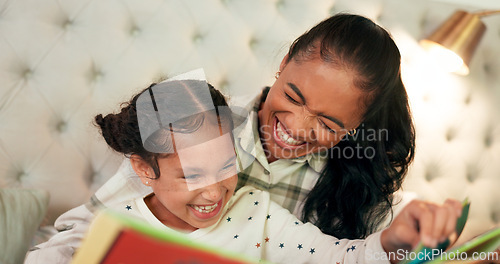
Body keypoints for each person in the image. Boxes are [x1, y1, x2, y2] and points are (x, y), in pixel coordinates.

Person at [26, 13, 464, 263]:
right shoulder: (199, 120)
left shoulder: (335, 181)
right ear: (285, 61)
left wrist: (411, 241)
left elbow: (362, 255)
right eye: (292, 96)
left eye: (329, 124)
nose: (296, 126)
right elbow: (92, 227)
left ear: (357, 126)